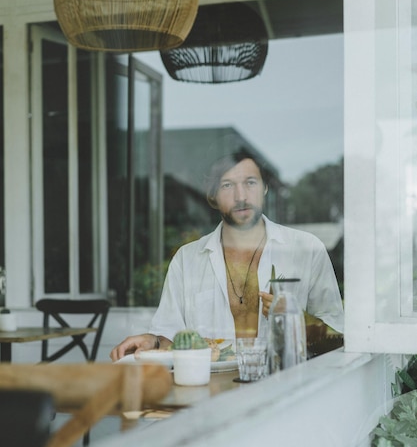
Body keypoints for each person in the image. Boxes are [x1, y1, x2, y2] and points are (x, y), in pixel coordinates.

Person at [110, 150, 344, 361]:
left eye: (250, 182)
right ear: (213, 197)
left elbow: (339, 337)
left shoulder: (306, 249)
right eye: (227, 186)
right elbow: (170, 338)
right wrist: (154, 341)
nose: (241, 195)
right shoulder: (187, 260)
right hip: (208, 395)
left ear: (264, 188)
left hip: (285, 392)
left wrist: (296, 321)